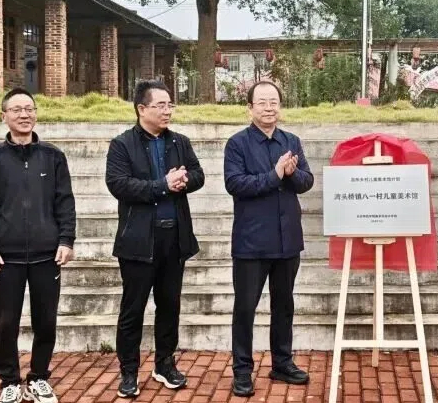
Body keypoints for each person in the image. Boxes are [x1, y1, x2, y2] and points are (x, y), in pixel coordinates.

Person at [0, 88, 77, 403]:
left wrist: (66, 239)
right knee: (6, 323)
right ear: (3, 116)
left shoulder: (53, 157)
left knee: (46, 321)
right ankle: (9, 381)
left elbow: (65, 203)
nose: (24, 114)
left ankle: (39, 377)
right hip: (5, 258)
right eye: (16, 109)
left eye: (29, 108)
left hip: (47, 255)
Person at [106, 80, 204, 397]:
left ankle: (164, 364)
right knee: (132, 310)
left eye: (169, 105)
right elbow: (119, 185)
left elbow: (199, 175)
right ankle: (128, 371)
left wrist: (184, 180)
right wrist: (162, 185)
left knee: (169, 306)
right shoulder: (122, 144)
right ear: (141, 109)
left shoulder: (179, 142)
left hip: (174, 239)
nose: (167, 111)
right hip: (138, 242)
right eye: (160, 105)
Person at [224, 81, 314, 397]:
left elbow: (306, 181)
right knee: (245, 309)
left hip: (287, 239)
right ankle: (242, 371)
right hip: (251, 242)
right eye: (262, 102)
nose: (268, 108)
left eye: (273, 102)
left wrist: (291, 173)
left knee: (284, 305)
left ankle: (282, 363)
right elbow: (236, 184)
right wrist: (275, 175)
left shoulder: (291, 141)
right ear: (250, 107)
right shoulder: (237, 144)